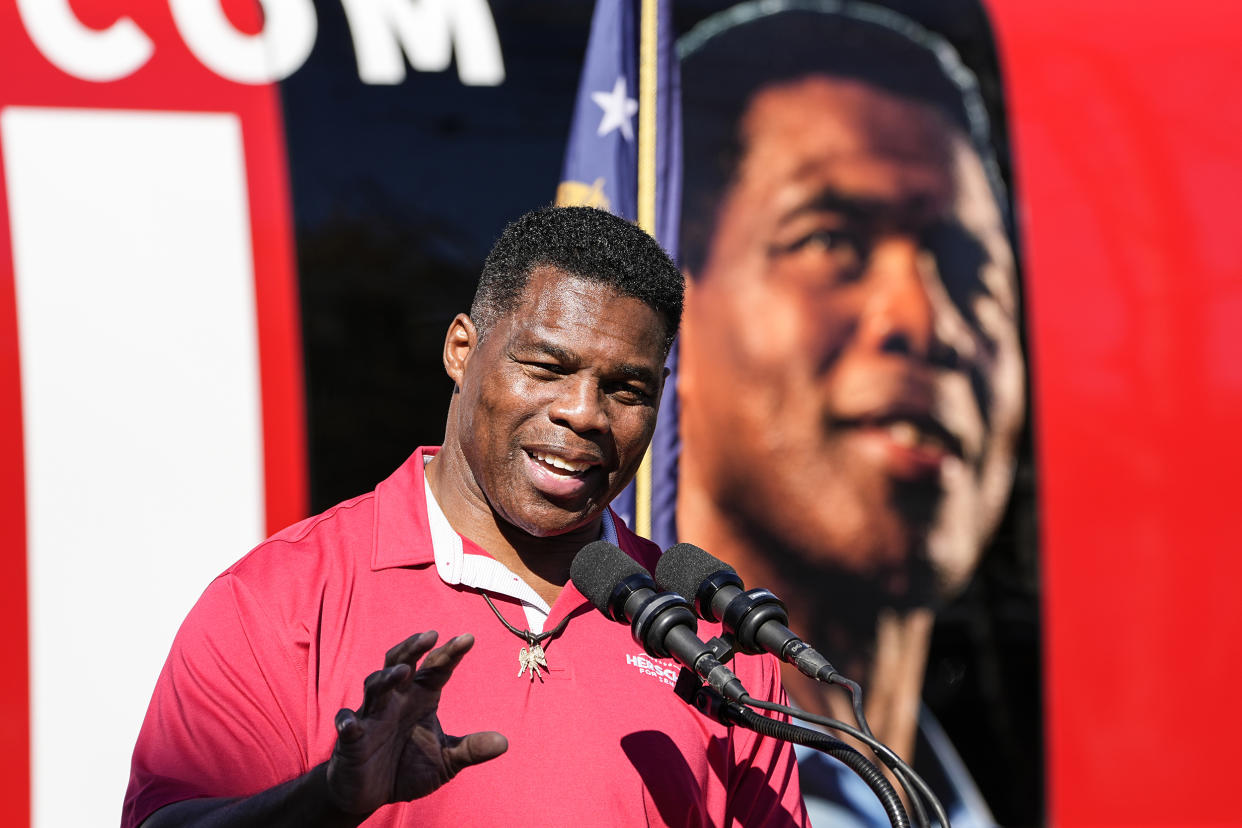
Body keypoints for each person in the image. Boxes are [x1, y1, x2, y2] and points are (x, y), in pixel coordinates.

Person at [122, 206, 807, 827]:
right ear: (461, 349)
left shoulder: (709, 633)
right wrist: (328, 796)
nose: (585, 412)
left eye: (627, 389)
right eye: (546, 367)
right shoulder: (281, 598)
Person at [674, 4, 1025, 826]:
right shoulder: (631, 777)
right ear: (674, 314)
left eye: (969, 268)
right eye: (830, 240)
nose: (923, 319)